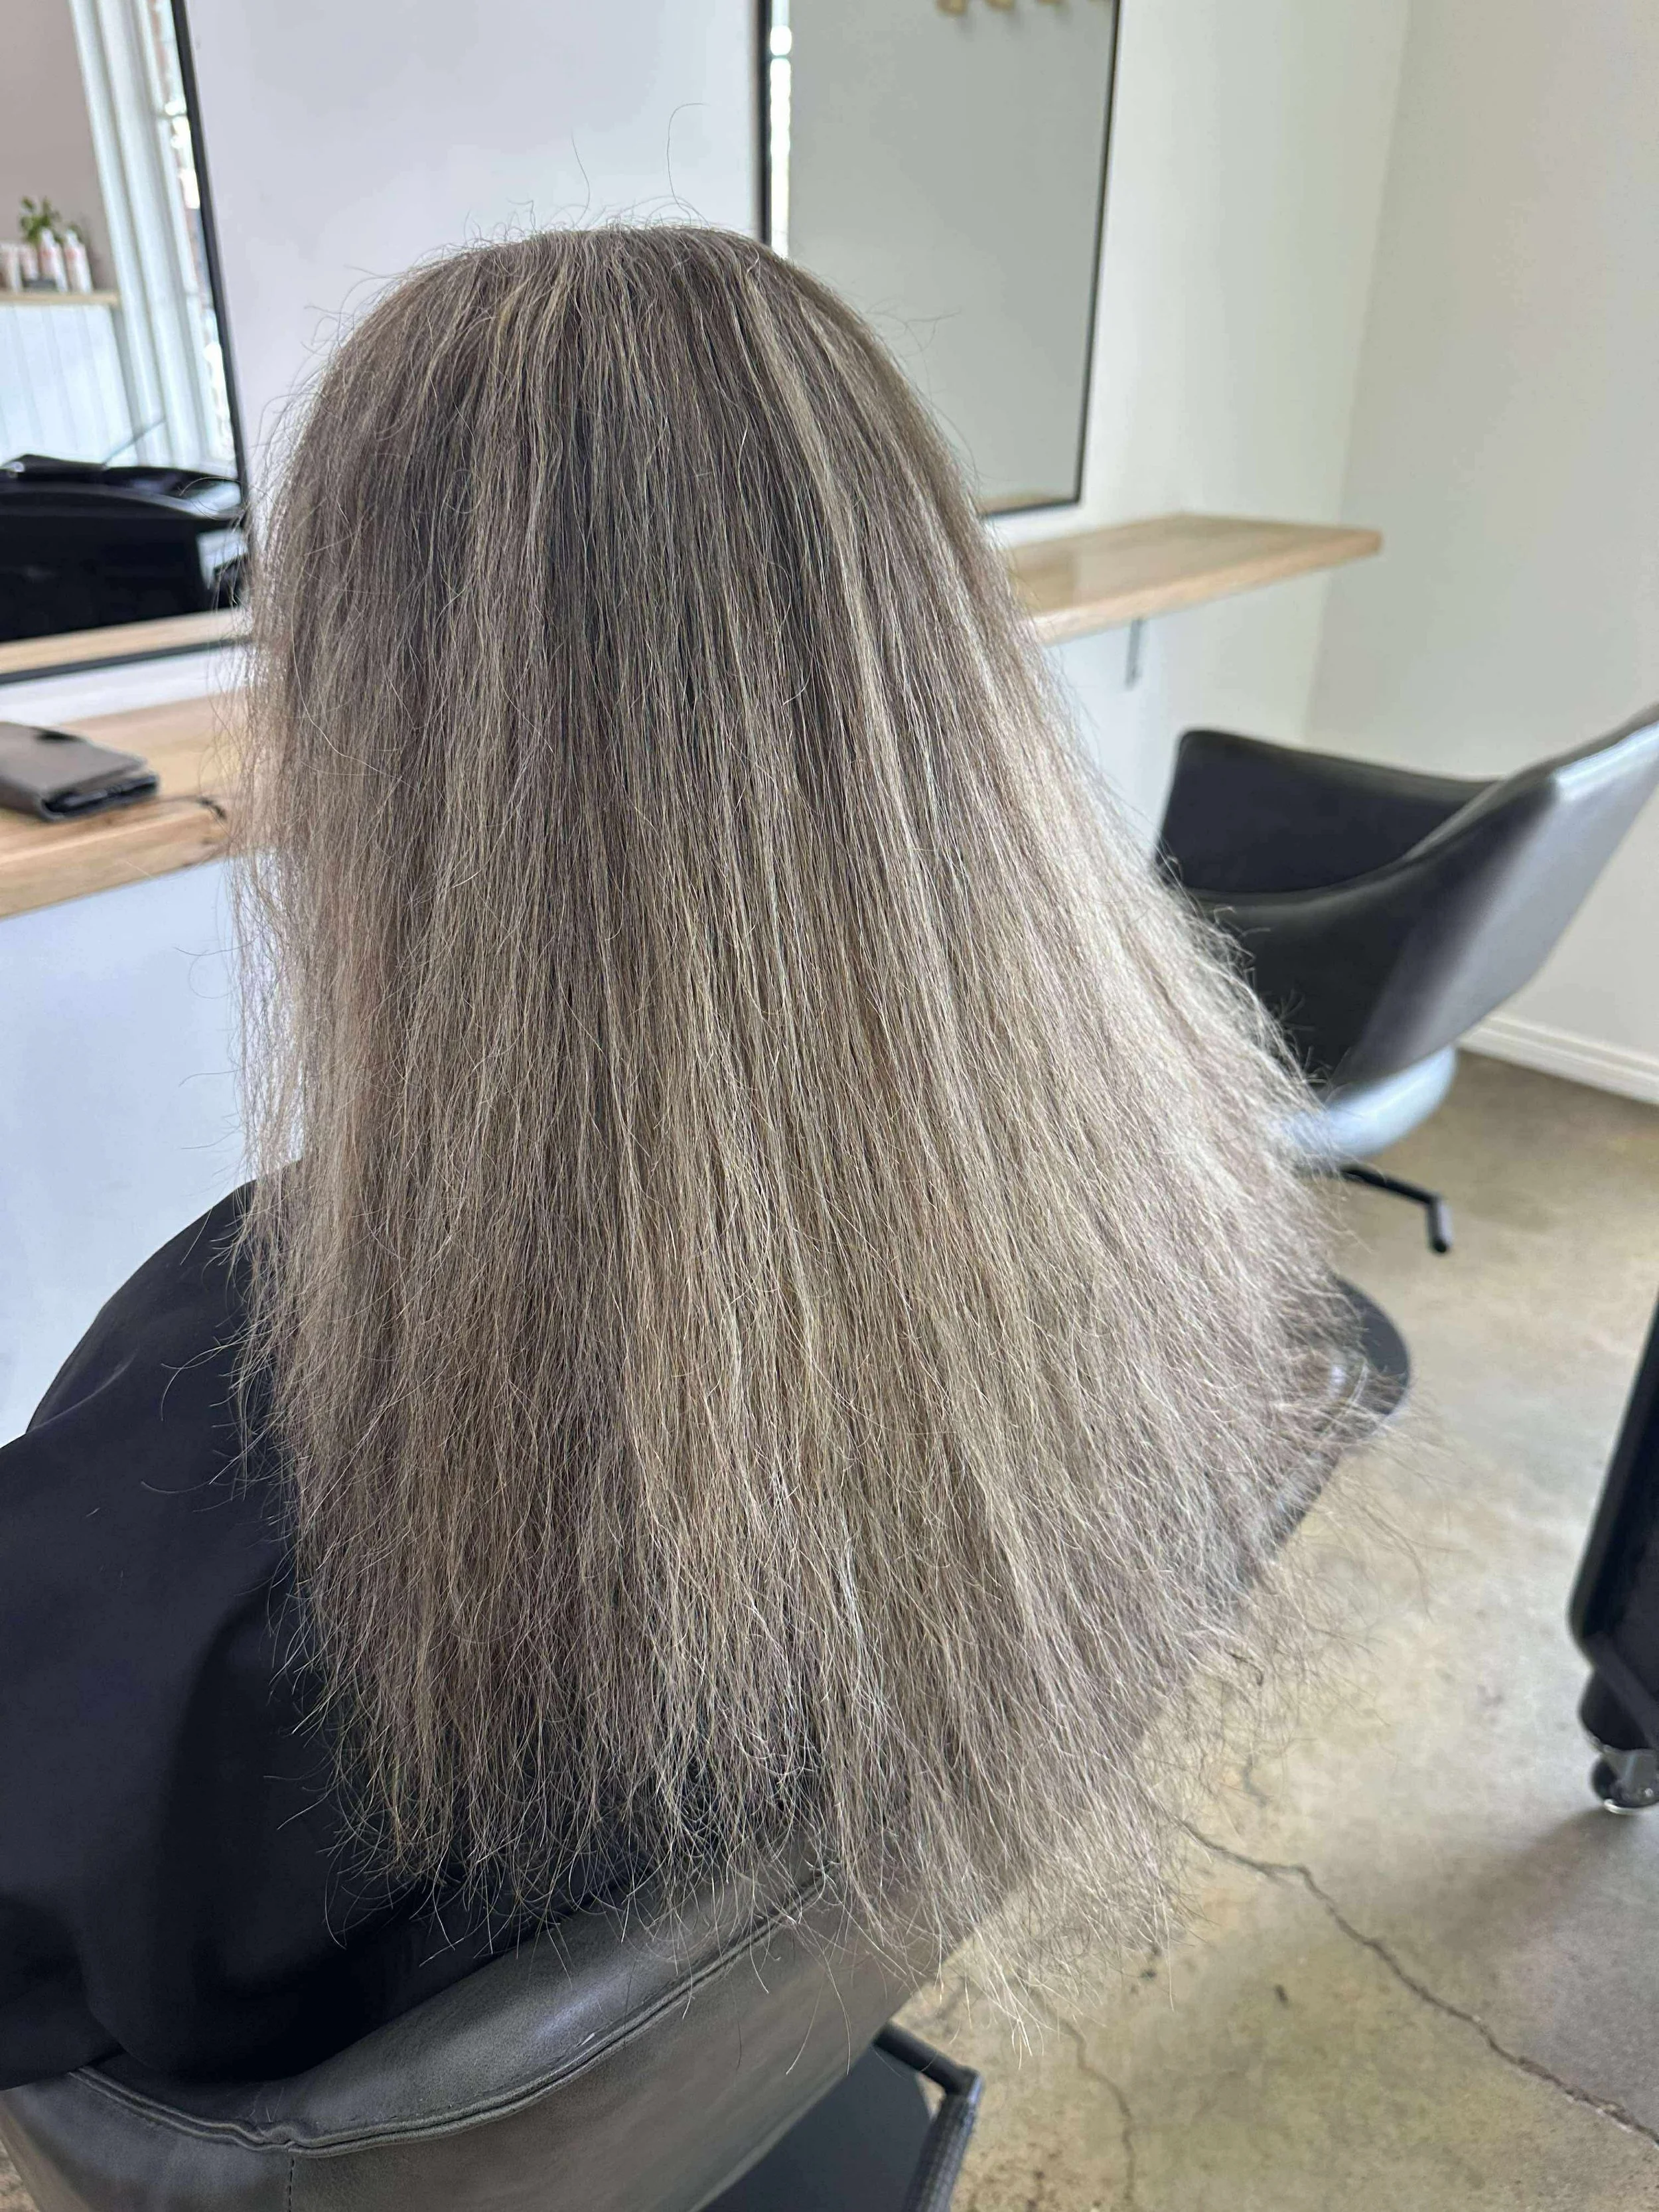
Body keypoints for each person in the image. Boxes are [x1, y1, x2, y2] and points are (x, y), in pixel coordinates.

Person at [0, 225, 1360, 2089]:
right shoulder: (1143, 1171)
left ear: (378, 731)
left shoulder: (244, 1415)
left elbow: (59, 1928)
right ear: (924, 653)